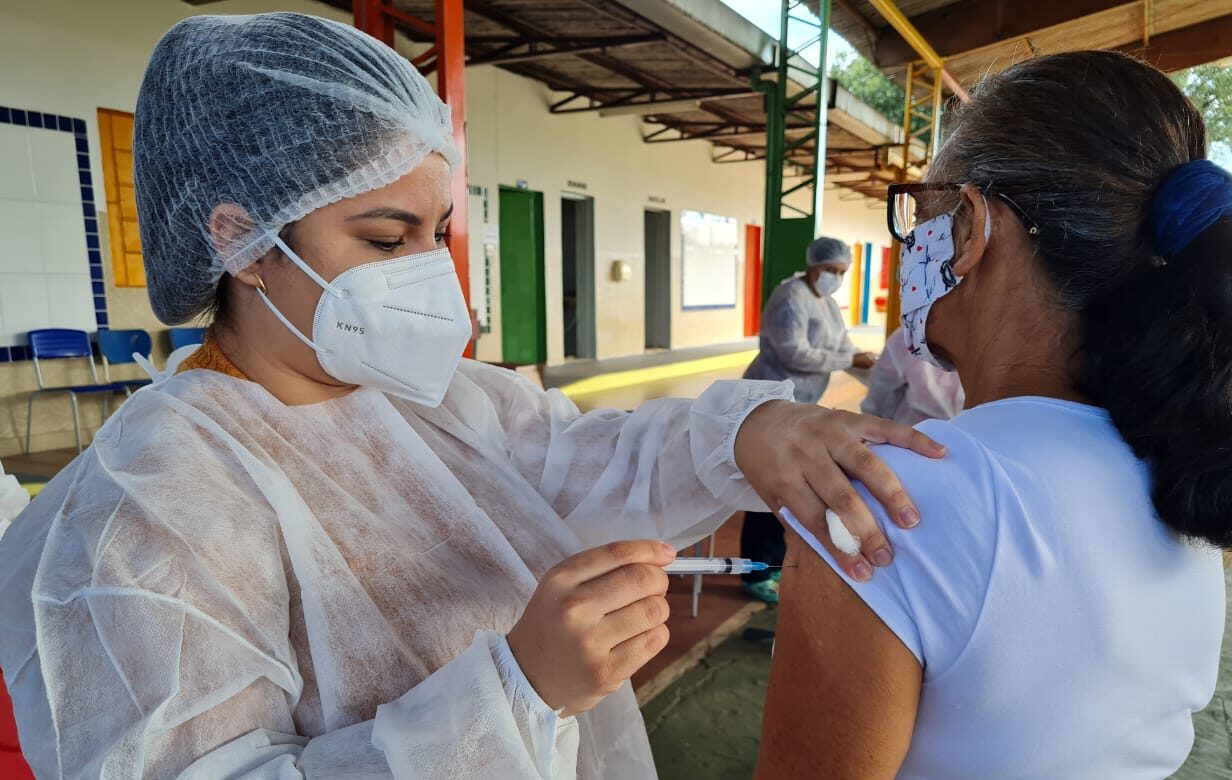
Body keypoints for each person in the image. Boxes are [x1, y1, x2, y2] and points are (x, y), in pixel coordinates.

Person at [0, 14, 945, 780]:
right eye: (385, 239)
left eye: (436, 232)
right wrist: (516, 694)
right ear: (242, 241)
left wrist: (750, 434)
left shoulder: (433, 402)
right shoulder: (150, 505)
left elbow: (582, 459)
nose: (427, 273)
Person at [757, 51, 1227, 779]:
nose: (909, 245)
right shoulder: (1184, 480)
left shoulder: (887, 499)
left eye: (920, 214)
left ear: (973, 228)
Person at [740, 237, 878, 602]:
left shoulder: (826, 303)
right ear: (813, 265)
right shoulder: (790, 297)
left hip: (797, 404)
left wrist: (871, 368)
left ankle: (771, 563)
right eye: (830, 270)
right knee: (768, 486)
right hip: (768, 399)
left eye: (841, 272)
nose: (835, 278)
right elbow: (795, 353)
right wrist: (849, 360)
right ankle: (756, 570)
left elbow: (842, 347)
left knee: (785, 486)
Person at [861, 326, 964, 426]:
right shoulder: (910, 335)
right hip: (964, 433)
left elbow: (880, 393)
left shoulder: (911, 334)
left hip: (908, 431)